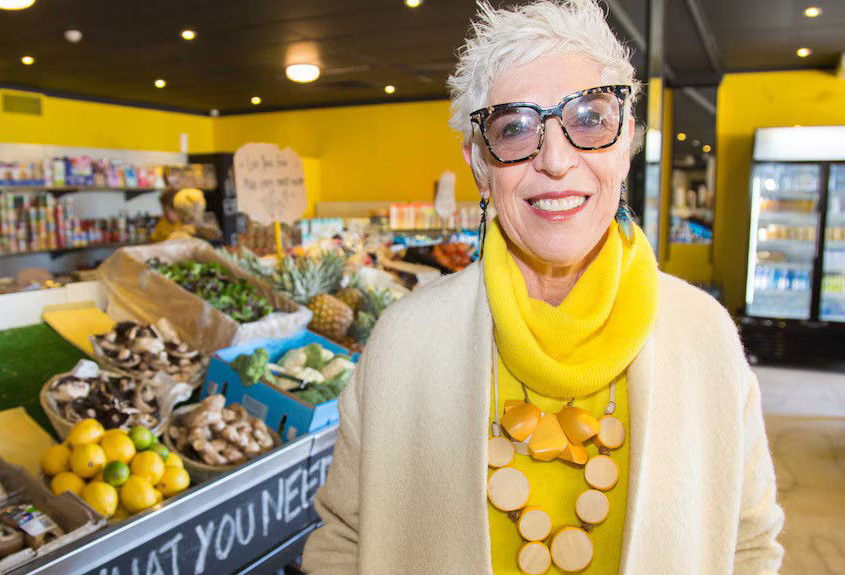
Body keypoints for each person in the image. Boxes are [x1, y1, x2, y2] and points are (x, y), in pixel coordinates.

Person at [302, 1, 784, 573]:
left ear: (627, 140)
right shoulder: (404, 342)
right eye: (514, 128)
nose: (556, 159)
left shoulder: (703, 335)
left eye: (589, 118)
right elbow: (343, 541)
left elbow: (750, 545)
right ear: (480, 164)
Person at [150, 187, 219, 242]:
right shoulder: (163, 223)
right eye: (164, 211)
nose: (166, 215)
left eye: (167, 211)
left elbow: (213, 236)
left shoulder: (191, 223)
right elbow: (153, 241)